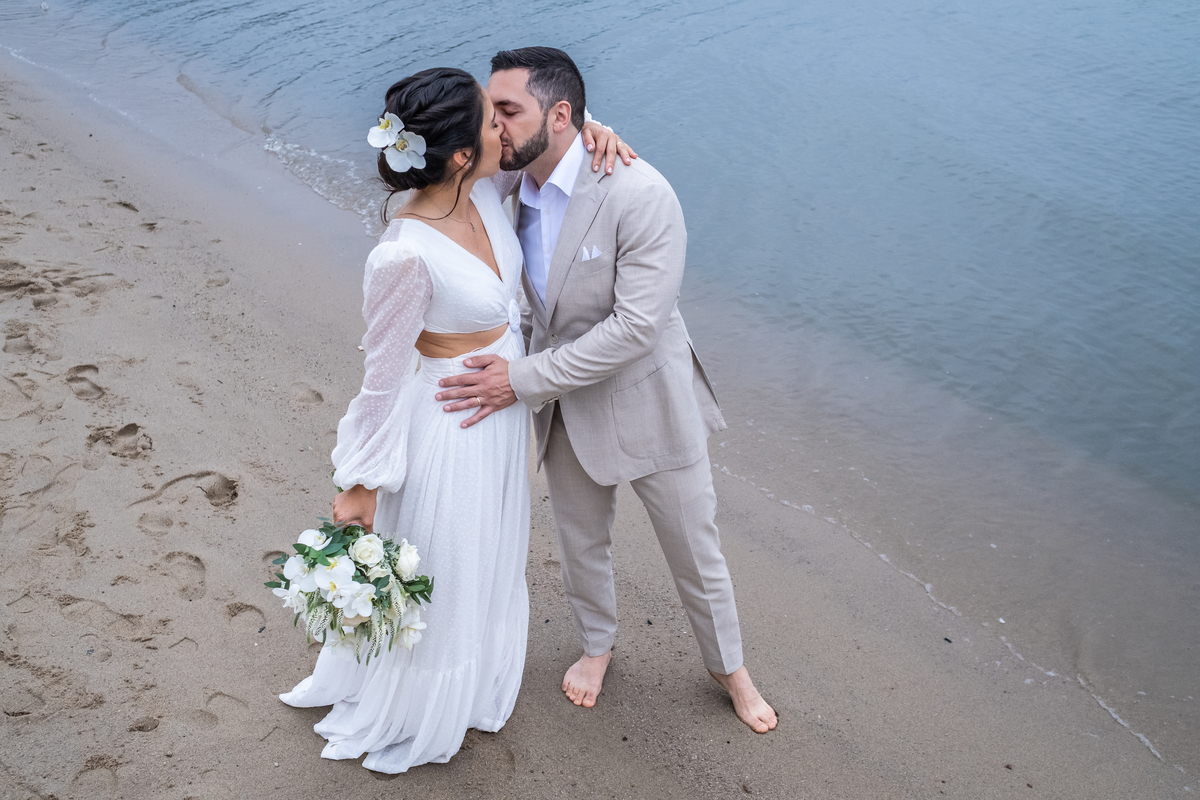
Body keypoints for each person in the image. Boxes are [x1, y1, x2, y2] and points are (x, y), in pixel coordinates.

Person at [278, 66, 630, 773]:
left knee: (488, 561)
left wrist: (593, 129)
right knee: (451, 564)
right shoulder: (403, 254)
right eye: (493, 122)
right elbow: (382, 379)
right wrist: (360, 483)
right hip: (451, 425)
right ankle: (419, 705)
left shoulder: (487, 189)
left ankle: (472, 683)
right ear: (463, 153)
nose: (506, 129)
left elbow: (549, 147)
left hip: (501, 414)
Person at [434, 47, 777, 734]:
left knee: (694, 547)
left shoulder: (640, 193)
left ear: (560, 116)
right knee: (580, 541)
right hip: (566, 409)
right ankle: (597, 646)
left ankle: (729, 669)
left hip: (649, 400)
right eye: (491, 110)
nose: (494, 125)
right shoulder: (504, 182)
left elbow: (637, 328)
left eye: (508, 111)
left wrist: (520, 381)